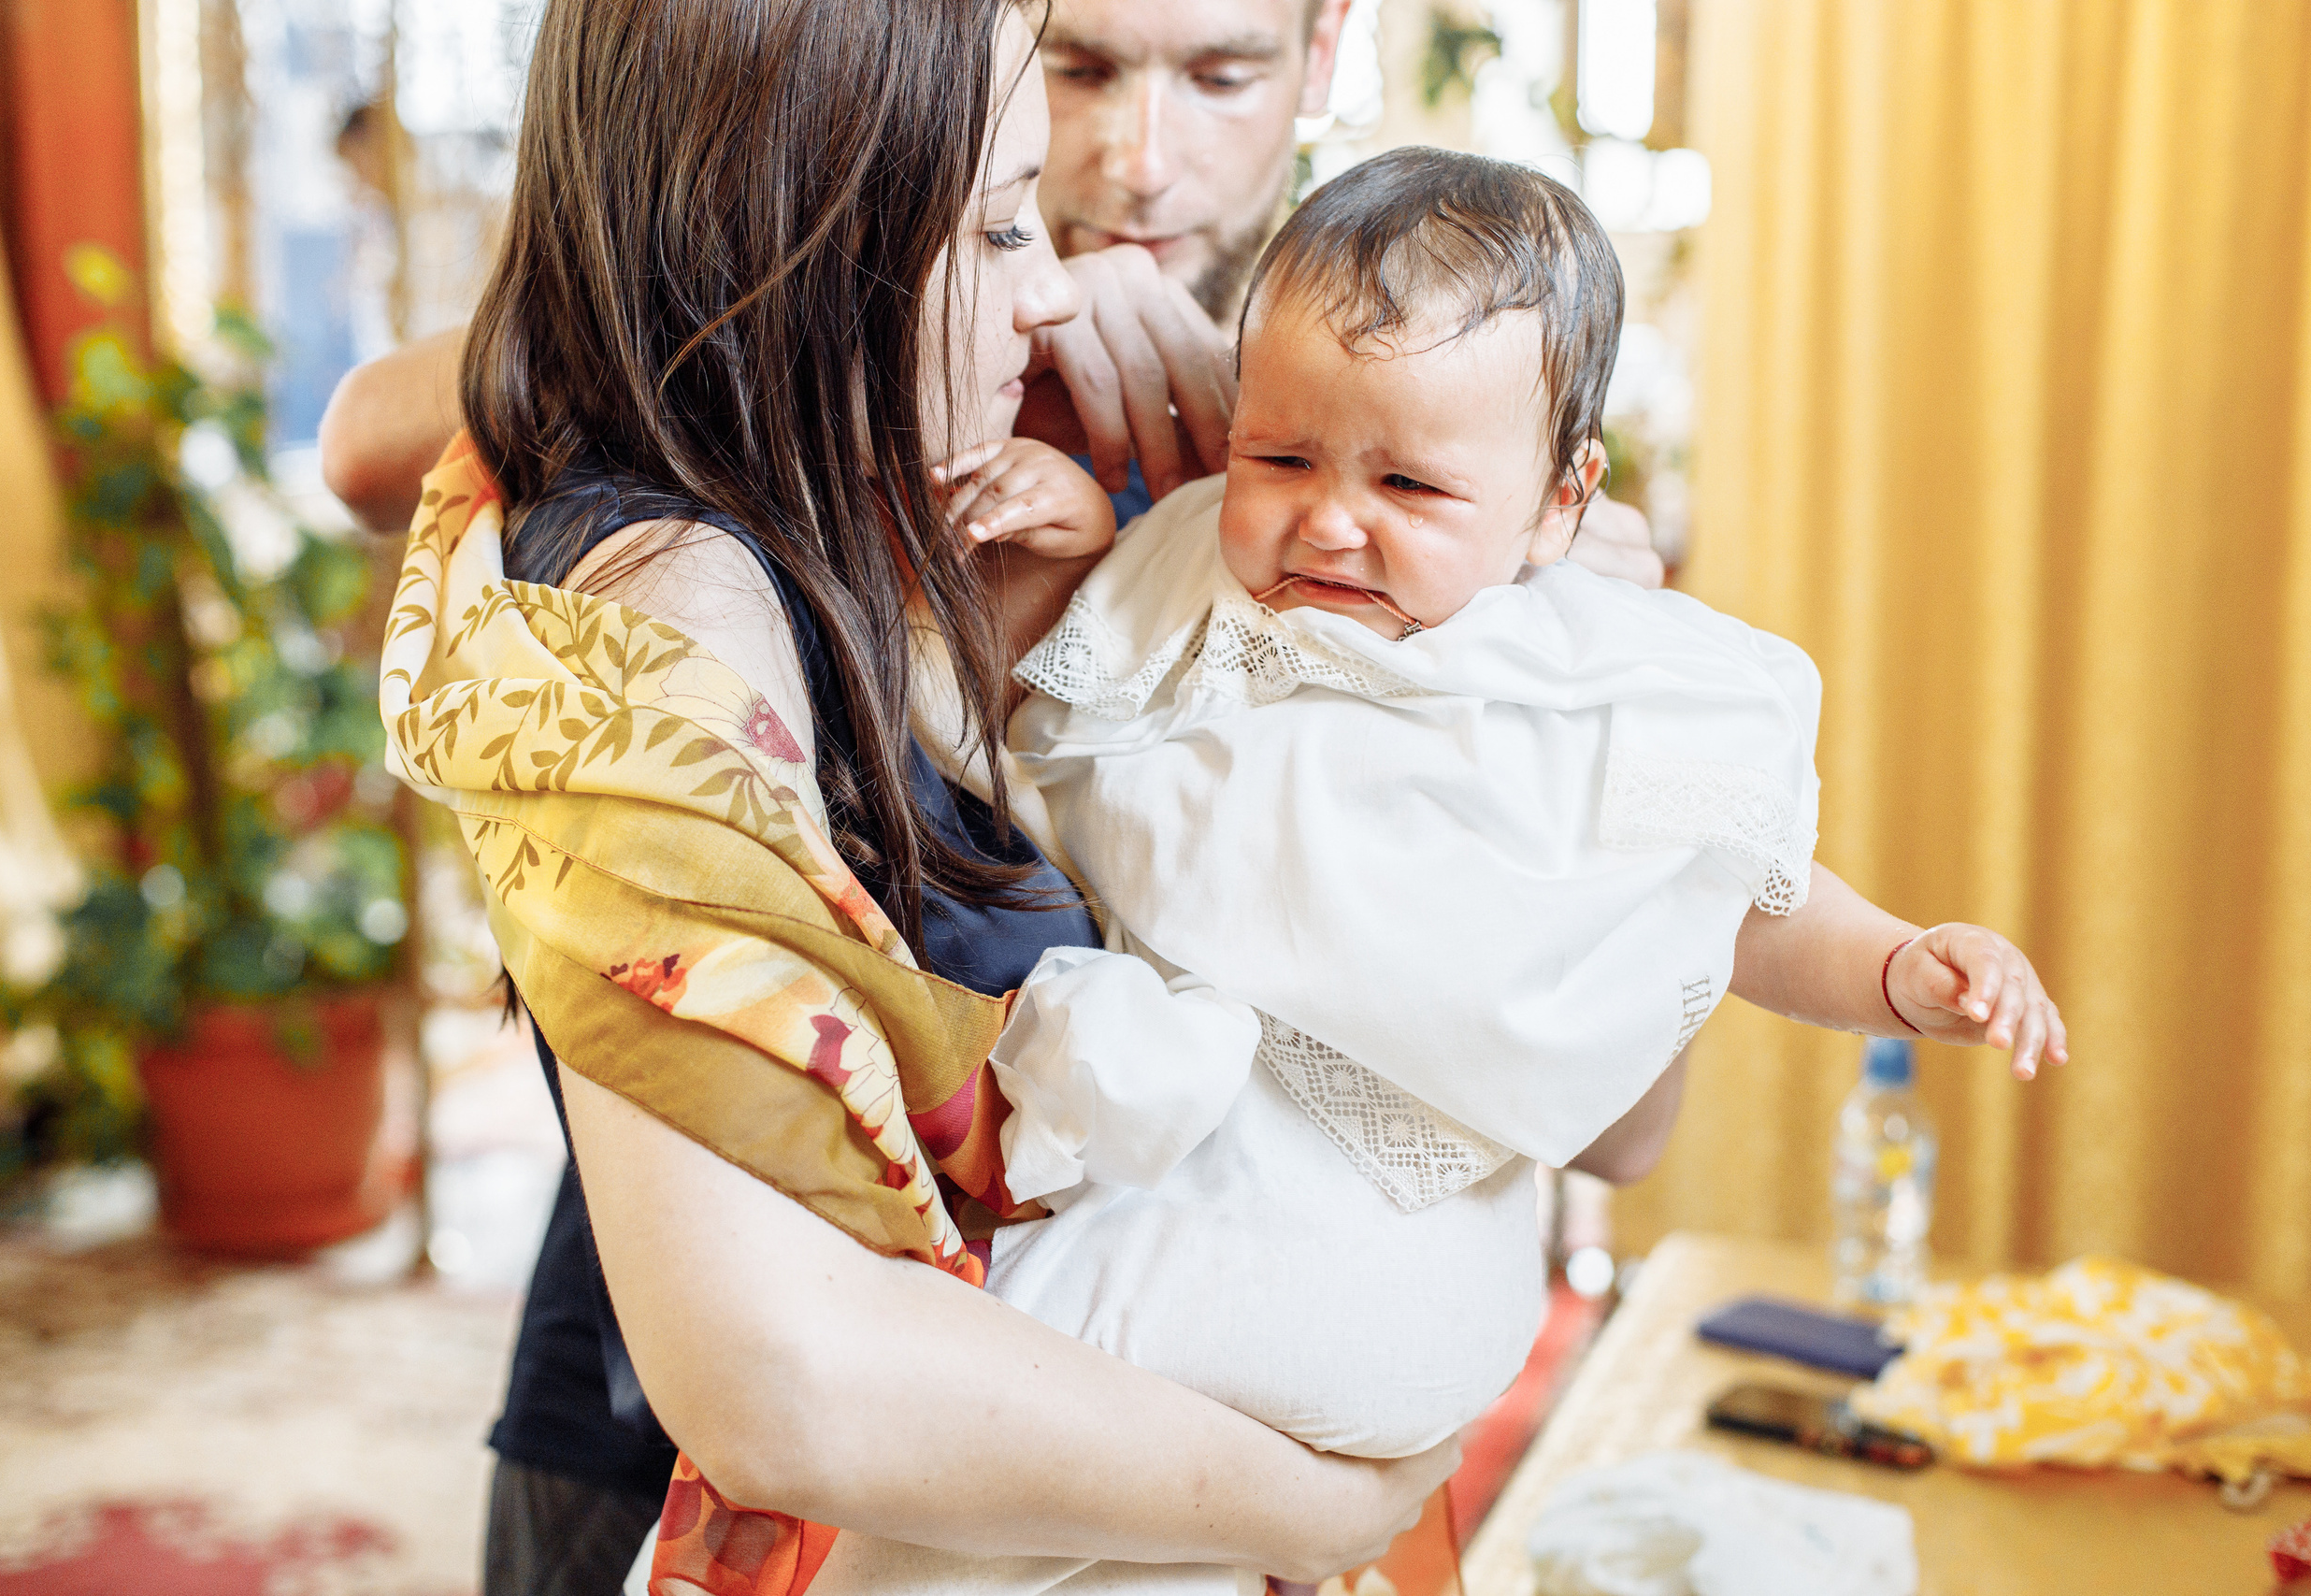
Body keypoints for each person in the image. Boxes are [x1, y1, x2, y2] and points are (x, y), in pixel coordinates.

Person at [781, 145, 2066, 1596]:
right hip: (1180, 1172)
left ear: (1560, 503)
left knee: (966, 1428)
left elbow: (1735, 893)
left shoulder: (1596, 675)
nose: (1330, 519)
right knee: (1048, 1494)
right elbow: (1015, 728)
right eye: (1280, 459)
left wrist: (1897, 962)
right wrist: (1060, 544)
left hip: (1386, 1243)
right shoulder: (1194, 577)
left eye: (1407, 481)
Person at [380, 4, 1473, 1593]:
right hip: (814, 1464)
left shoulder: (857, 490)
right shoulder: (674, 598)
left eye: (1218, 74)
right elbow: (783, 1378)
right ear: (799, 222)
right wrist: (1314, 1506)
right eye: (1001, 220)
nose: (1059, 275)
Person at [316, 0, 1662, 584]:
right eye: (1079, 70)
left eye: (1220, 78)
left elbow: (1623, 1139)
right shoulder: (835, 267)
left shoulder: (1442, 352)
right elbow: (365, 449)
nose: (1141, 164)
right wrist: (851, 308)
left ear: (1321, 55)